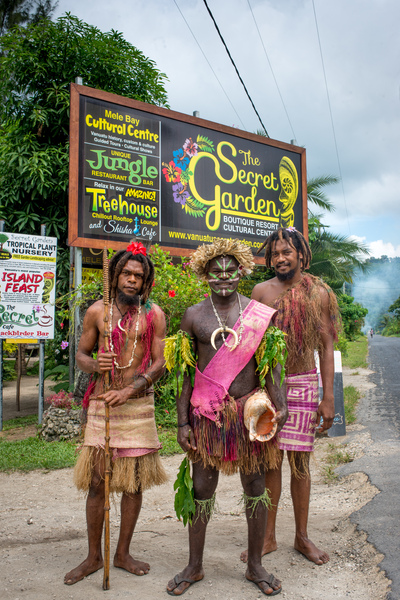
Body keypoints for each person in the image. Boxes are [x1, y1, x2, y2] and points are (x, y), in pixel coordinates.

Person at [166, 238, 288, 597]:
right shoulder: (194, 315)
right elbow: (184, 373)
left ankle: (255, 565)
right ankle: (195, 565)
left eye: (230, 271)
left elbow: (272, 365)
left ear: (241, 273)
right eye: (216, 272)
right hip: (207, 416)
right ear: (205, 275)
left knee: (255, 487)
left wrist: (279, 407)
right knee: (202, 488)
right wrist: (183, 422)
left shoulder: (256, 312)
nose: (223, 277)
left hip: (250, 416)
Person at [64, 241, 167, 586]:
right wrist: (95, 363)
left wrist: (130, 389)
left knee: (134, 483)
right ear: (115, 276)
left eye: (139, 276)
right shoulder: (97, 312)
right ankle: (94, 557)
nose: (132, 280)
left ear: (146, 282)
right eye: (126, 273)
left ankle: (122, 552)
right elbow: (80, 354)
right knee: (97, 481)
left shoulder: (154, 315)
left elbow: (159, 363)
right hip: (103, 404)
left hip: (137, 404)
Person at [241, 227, 340, 566]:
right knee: (270, 463)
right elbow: (248, 345)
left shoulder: (319, 293)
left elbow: (326, 347)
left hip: (303, 384)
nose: (281, 258)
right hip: (269, 387)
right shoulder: (260, 292)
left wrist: (328, 399)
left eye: (287, 252)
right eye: (276, 253)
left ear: (301, 254)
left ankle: (301, 536)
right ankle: (268, 537)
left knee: (300, 464)